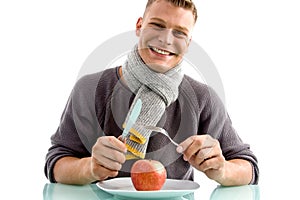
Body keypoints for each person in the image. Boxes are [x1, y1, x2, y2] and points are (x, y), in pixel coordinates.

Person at [45, 0, 259, 186]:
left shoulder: (203, 97)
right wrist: (89, 168)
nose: (166, 40)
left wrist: (222, 169)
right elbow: (56, 162)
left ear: (188, 42)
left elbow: (248, 167)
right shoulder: (90, 88)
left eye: (180, 33)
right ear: (139, 26)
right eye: (157, 25)